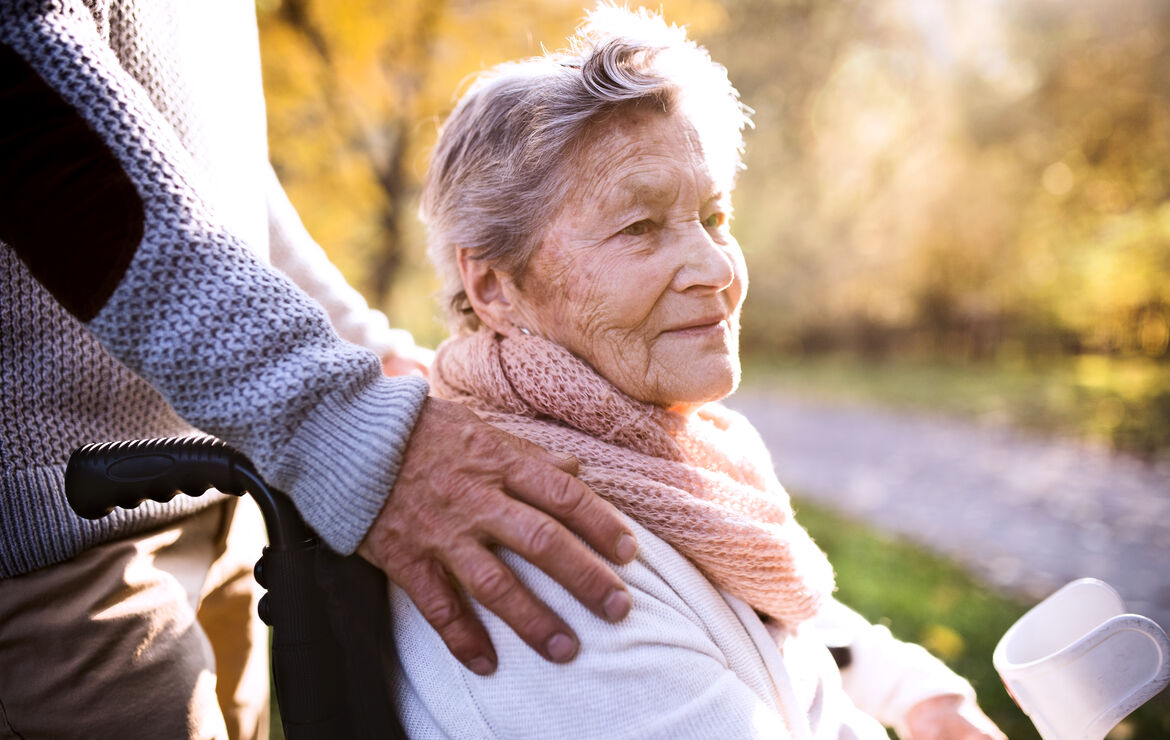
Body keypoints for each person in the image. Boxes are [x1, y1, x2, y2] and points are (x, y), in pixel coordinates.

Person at [0, 1, 638, 737]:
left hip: (228, 493)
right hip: (59, 534)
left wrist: (366, 350)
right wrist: (330, 415)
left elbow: (203, 165)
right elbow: (34, 108)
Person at [392, 5, 1008, 739]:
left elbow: (764, 623)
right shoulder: (537, 547)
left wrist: (911, 689)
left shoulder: (648, 454)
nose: (718, 269)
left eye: (714, 217)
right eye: (640, 227)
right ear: (494, 287)